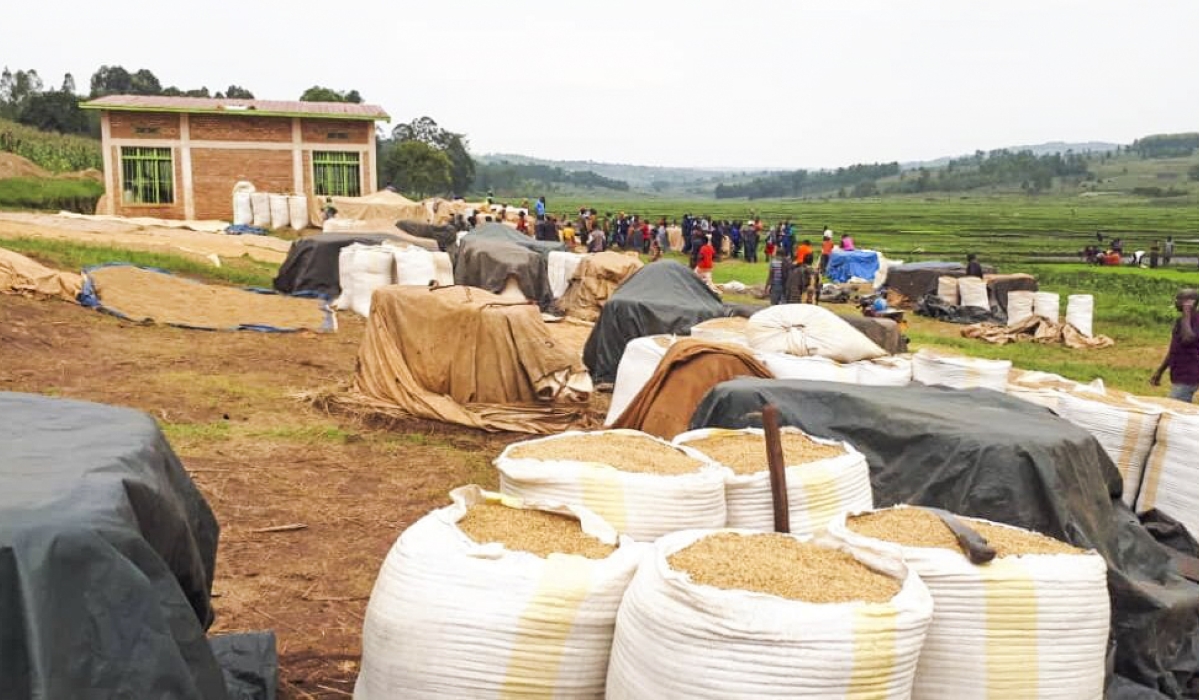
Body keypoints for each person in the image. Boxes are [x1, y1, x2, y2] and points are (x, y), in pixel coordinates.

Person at [1151, 289, 1199, 402]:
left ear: (1189, 302)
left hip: (1190, 374)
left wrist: (1186, 312)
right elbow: (1174, 349)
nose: (1175, 302)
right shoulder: (1180, 321)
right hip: (1179, 373)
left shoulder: (1196, 320)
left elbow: (1188, 339)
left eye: (1178, 299)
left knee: (1173, 408)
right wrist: (1160, 371)